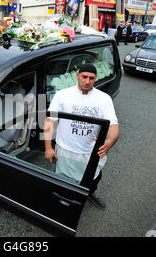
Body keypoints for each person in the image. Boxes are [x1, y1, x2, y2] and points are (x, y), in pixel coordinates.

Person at [44, 63, 119, 210]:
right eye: (84, 76)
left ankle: (90, 193)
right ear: (77, 76)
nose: (87, 81)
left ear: (95, 79)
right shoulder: (62, 95)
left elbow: (113, 126)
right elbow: (50, 121)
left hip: (89, 151)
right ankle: (62, 202)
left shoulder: (104, 99)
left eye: (91, 78)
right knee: (63, 179)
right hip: (65, 149)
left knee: (94, 177)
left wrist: (110, 142)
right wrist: (48, 147)